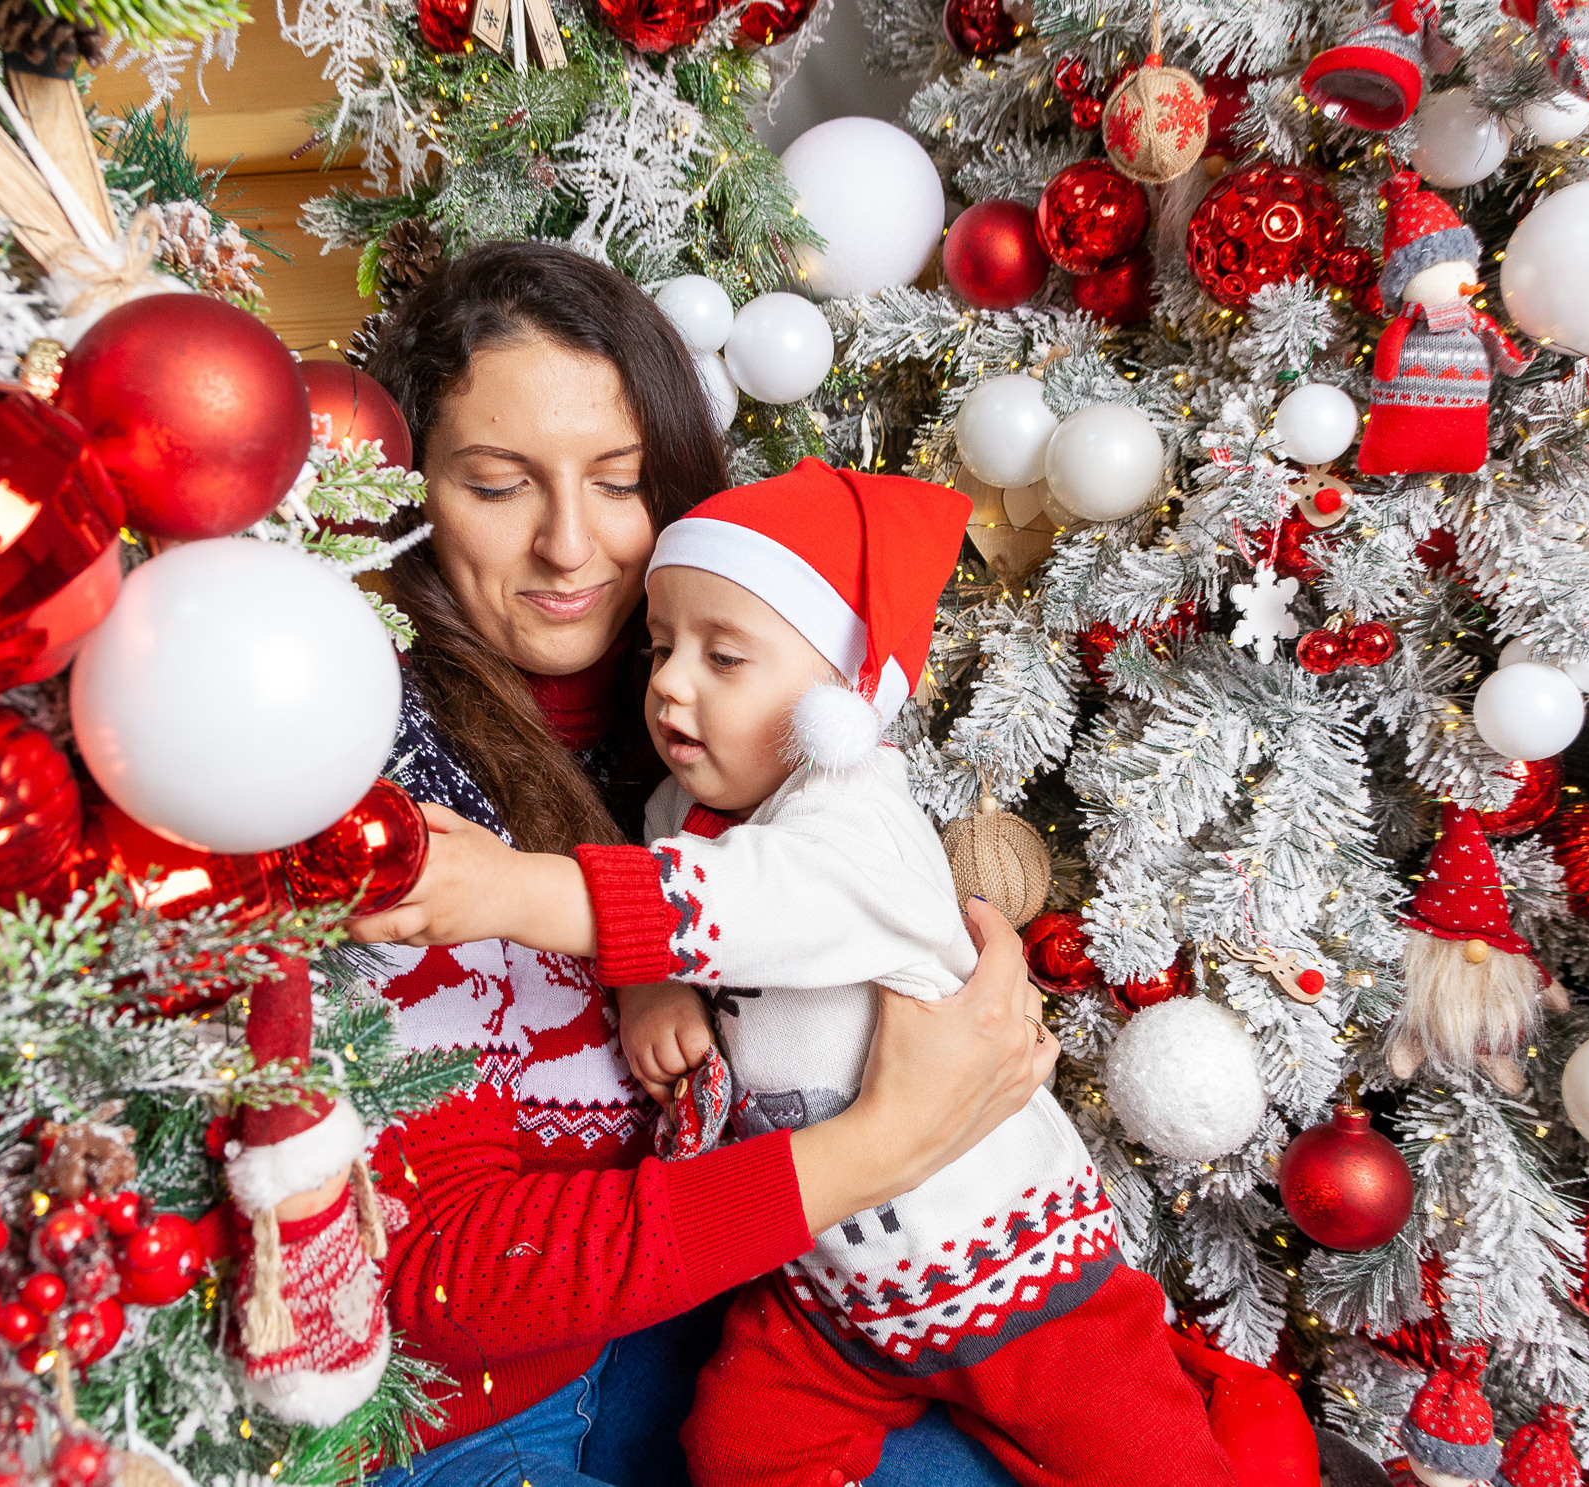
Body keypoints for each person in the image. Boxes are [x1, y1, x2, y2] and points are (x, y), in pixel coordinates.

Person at [241, 240, 1058, 1487]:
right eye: (498, 483)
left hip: (718, 1309)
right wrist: (881, 1143)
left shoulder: (724, 714)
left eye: (618, 482)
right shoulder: (366, 783)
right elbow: (437, 1275)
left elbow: (833, 929)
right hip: (466, 1408)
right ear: (409, 491)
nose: (572, 547)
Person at [358, 459, 1240, 1487]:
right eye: (661, 646)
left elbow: (753, 900)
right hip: (826, 1290)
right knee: (736, 1451)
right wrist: (651, 983)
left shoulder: (855, 817)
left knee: (1148, 1458)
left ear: (843, 696)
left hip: (1012, 1271)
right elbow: (683, 897)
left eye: (723, 656)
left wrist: (517, 891)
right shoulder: (676, 814)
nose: (670, 683)